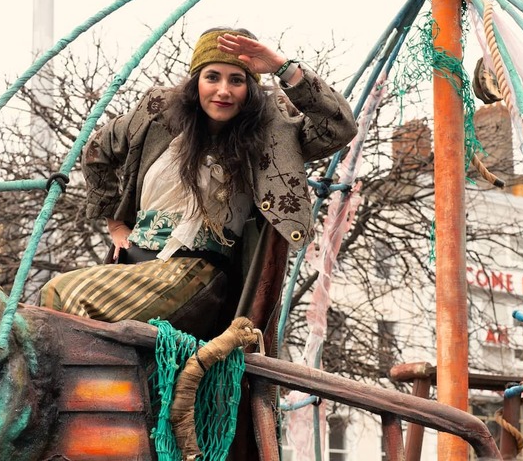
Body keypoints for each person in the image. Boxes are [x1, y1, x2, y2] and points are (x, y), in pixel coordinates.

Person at [39, 27, 356, 334]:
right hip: (134, 264)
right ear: (196, 82)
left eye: (236, 80)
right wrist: (115, 223)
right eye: (212, 77)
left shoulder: (272, 133)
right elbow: (97, 151)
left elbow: (339, 127)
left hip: (197, 274)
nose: (223, 90)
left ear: (250, 90)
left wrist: (280, 67)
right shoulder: (158, 115)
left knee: (69, 295)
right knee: (53, 299)